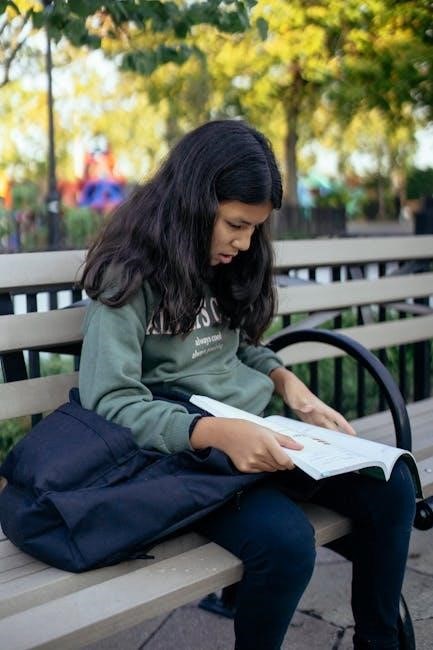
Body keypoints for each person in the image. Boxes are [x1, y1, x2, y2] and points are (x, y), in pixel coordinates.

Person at [79, 120, 416, 650]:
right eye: (236, 224)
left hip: (260, 434)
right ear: (194, 203)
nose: (245, 241)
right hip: (187, 457)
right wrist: (215, 433)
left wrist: (286, 382)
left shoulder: (216, 261)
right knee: (286, 544)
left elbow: (236, 348)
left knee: (392, 487)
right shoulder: (128, 277)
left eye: (255, 228)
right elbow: (111, 401)